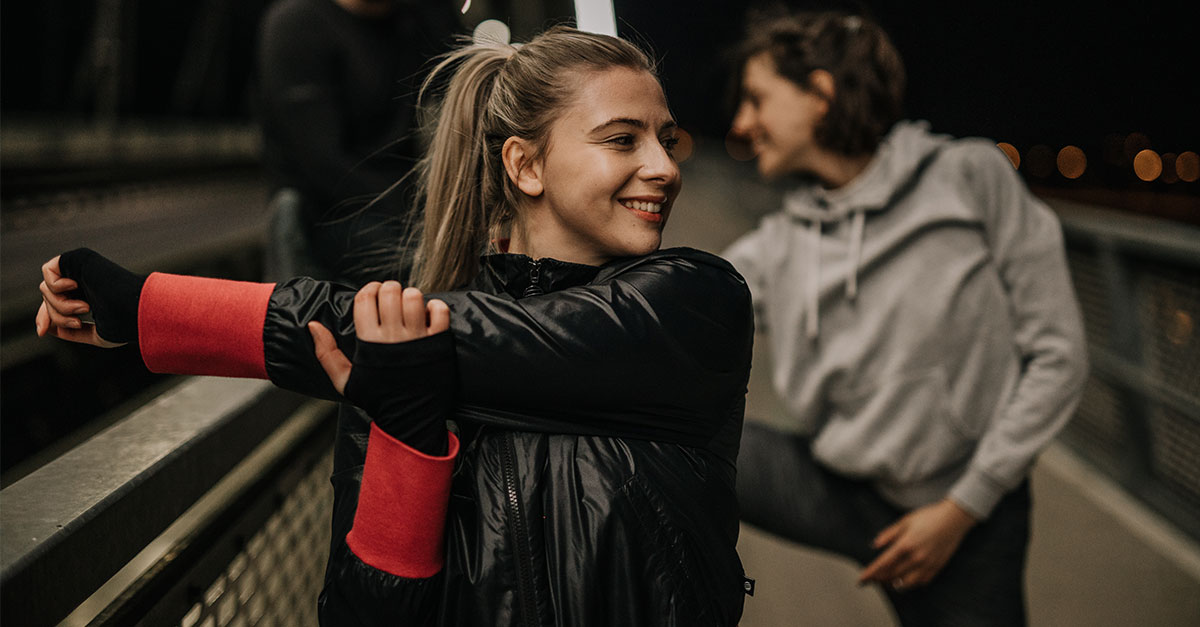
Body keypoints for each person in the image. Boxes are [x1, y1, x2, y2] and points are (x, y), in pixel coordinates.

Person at [37, 26, 754, 626]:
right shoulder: (399, 360)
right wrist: (405, 436)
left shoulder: (695, 304)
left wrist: (147, 312)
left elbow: (458, 335)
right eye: (623, 140)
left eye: (666, 137)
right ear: (526, 165)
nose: (664, 166)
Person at [721, 9, 1088, 626]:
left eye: (757, 100)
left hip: (964, 511)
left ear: (820, 95)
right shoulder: (782, 241)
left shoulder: (969, 178)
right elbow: (673, 308)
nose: (741, 123)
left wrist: (964, 508)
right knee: (668, 440)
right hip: (841, 490)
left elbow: (1060, 355)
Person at [255, 0, 460, 284]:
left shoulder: (421, 17)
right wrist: (420, 220)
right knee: (437, 268)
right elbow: (324, 164)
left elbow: (467, 99)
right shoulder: (298, 23)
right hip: (328, 213)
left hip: (404, 204)